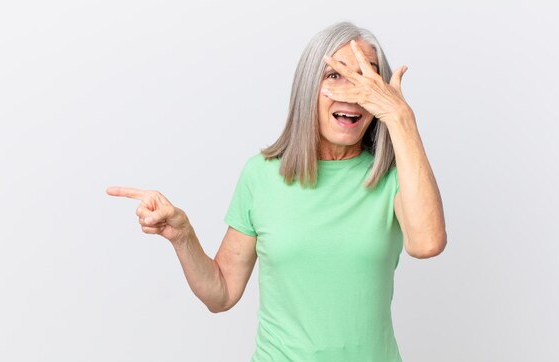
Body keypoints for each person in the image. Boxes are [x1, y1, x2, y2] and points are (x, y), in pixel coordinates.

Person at [106, 21, 446, 362]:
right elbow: (221, 294)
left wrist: (400, 116)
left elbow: (427, 243)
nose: (351, 93)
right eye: (334, 76)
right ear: (306, 88)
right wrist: (182, 236)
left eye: (365, 78)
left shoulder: (394, 177)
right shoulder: (262, 175)